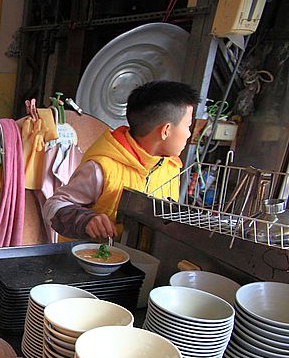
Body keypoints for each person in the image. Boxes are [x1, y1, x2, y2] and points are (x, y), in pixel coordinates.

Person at [43, 80, 198, 240]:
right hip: (91, 260)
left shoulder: (171, 168)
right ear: (165, 130)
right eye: (188, 126)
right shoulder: (102, 167)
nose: (189, 134)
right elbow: (53, 206)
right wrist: (85, 220)